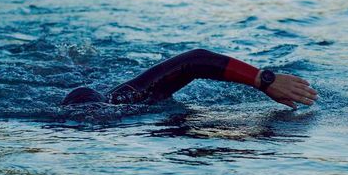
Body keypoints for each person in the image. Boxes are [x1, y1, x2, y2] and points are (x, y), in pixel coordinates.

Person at [61, 49, 317, 109]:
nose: (93, 121)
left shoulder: (126, 98)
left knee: (84, 74)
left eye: (96, 116)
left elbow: (194, 60)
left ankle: (79, 62)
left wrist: (264, 79)